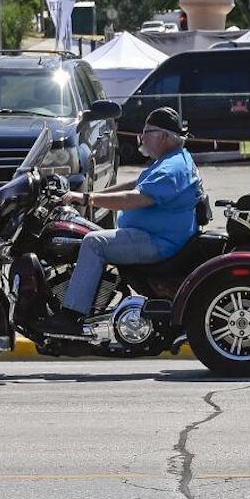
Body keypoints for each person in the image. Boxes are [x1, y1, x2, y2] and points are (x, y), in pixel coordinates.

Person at [33, 107, 202, 340]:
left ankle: (71, 316)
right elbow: (137, 184)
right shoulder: (171, 161)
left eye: (147, 131)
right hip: (157, 235)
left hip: (159, 241)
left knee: (94, 242)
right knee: (88, 231)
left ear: (164, 136)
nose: (141, 137)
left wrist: (86, 198)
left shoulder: (171, 169)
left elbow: (135, 198)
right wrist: (90, 195)